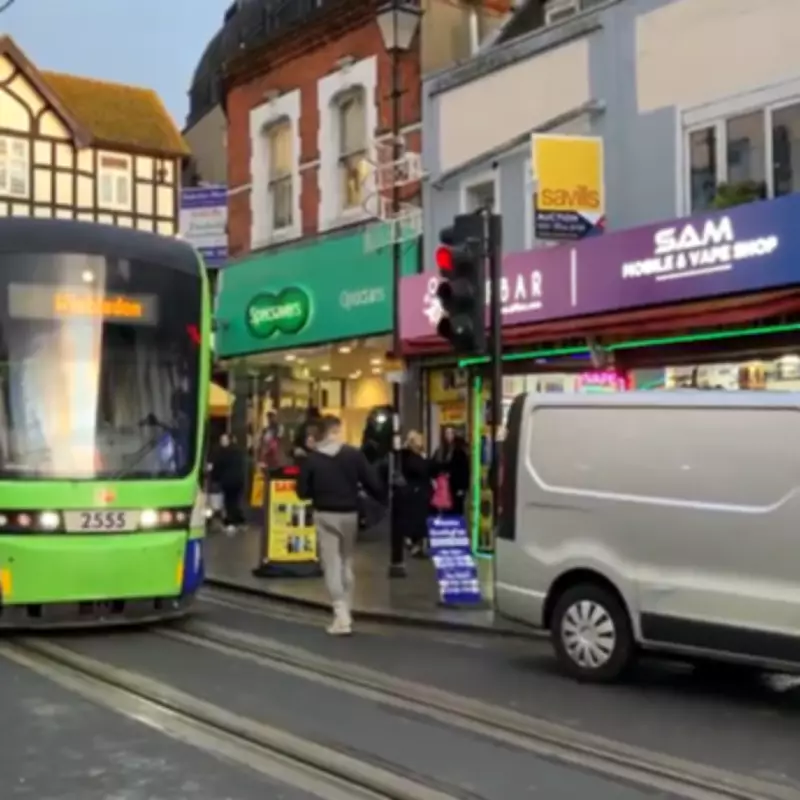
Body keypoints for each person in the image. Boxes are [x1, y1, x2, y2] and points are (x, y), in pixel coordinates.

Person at [297, 414, 384, 635]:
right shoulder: (354, 455)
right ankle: (346, 612)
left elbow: (302, 492)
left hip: (325, 514)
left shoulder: (313, 459)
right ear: (337, 431)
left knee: (331, 565)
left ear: (322, 433)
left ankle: (341, 612)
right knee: (347, 562)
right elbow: (373, 483)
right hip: (350, 515)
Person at [398, 430, 431, 557]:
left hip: (416, 492)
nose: (421, 443)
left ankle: (415, 544)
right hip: (416, 493)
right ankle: (415, 545)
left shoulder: (409, 456)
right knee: (417, 520)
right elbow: (421, 469)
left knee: (417, 519)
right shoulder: (411, 457)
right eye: (419, 440)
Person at [211, 433, 246, 534]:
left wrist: (214, 477)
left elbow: (218, 467)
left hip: (228, 481)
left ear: (228, 440)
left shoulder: (223, 452)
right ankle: (240, 522)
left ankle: (231, 523)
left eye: (223, 440)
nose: (221, 442)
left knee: (229, 502)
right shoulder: (239, 451)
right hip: (239, 480)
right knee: (235, 501)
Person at [432, 426, 470, 516]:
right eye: (446, 433)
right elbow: (434, 466)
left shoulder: (460, 452)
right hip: (442, 488)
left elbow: (464, 470)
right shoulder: (439, 451)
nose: (448, 436)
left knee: (456, 511)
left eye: (450, 433)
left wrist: (463, 488)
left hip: (456, 487)